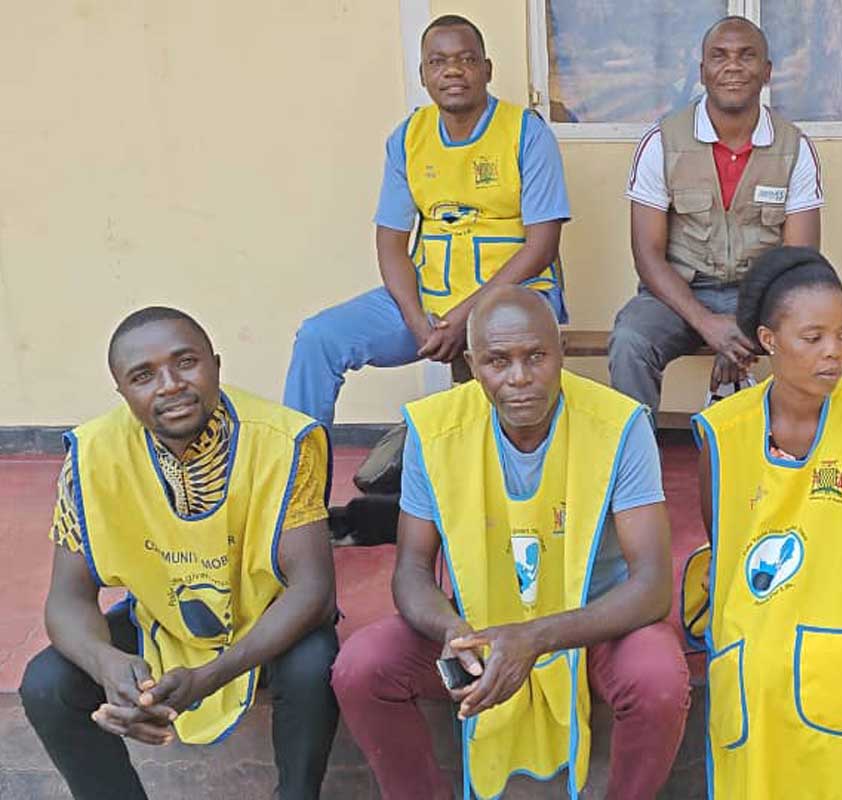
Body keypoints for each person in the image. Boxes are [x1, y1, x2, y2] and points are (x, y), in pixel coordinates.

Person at [330, 286, 690, 800]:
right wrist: (454, 631)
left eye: (536, 356)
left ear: (560, 354)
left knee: (658, 678)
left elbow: (653, 586)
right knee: (362, 667)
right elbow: (410, 570)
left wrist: (535, 638)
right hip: (478, 625)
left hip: (593, 626)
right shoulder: (434, 430)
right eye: (498, 361)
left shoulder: (618, 426)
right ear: (473, 365)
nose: (519, 378)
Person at [19, 307, 340, 800]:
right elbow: (67, 600)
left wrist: (212, 675)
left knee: (313, 663)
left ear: (215, 365)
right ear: (122, 392)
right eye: (143, 376)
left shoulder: (284, 441)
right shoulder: (91, 455)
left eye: (185, 362)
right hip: (165, 628)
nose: (169, 385)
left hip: (270, 626)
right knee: (47, 684)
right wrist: (107, 663)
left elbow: (314, 592)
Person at [684, 247, 842, 798]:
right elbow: (726, 539)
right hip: (763, 614)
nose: (833, 353)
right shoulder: (724, 431)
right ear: (769, 340)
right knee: (762, 670)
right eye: (813, 338)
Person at [283, 14, 570, 430]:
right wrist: (419, 322)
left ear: (487, 70)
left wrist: (465, 317)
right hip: (428, 302)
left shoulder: (525, 133)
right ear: (423, 74)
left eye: (467, 59)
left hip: (514, 301)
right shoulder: (408, 138)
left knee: (495, 380)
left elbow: (541, 246)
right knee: (318, 338)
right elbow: (391, 245)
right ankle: (300, 485)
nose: (453, 70)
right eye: (438, 62)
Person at [610, 15, 838, 421]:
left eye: (747, 56)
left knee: (835, 340)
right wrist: (709, 325)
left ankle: (817, 455)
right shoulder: (661, 142)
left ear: (766, 72)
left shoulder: (794, 148)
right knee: (630, 340)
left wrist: (744, 325)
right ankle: (637, 469)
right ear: (702, 72)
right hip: (679, 295)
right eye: (719, 56)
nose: (733, 66)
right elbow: (646, 254)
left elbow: (799, 261)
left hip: (767, 295)